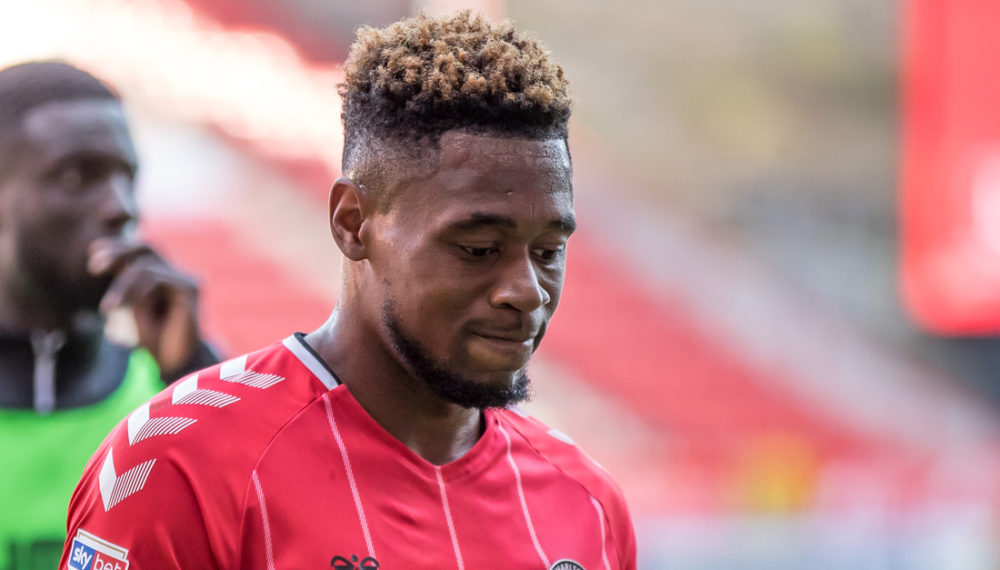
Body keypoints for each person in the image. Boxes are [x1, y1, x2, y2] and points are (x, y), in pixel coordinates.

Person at [62, 12, 636, 570]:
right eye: (479, 248)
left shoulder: (588, 503)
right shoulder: (176, 464)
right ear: (353, 223)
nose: (527, 292)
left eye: (549, 252)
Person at [0, 61, 219, 570]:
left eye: (128, 178)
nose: (121, 208)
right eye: (78, 176)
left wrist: (195, 376)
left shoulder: (168, 395)